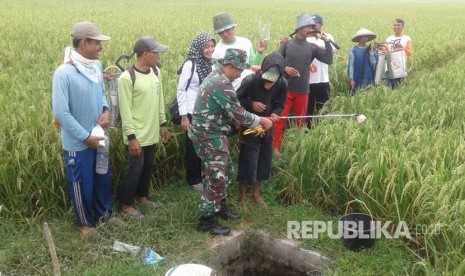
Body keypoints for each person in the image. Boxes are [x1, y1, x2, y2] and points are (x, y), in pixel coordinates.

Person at [188, 48, 273, 235]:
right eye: (240, 70)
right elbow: (238, 113)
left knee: (226, 171)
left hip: (215, 134)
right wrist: (262, 120)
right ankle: (207, 221)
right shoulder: (221, 84)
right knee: (216, 176)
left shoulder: (218, 77)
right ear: (231, 66)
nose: (240, 75)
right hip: (209, 136)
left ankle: (220, 207)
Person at [52, 21, 113, 235]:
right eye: (97, 43)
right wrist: (84, 136)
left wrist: (105, 110)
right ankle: (85, 224)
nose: (101, 48)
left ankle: (105, 214)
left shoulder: (95, 66)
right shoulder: (64, 73)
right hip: (78, 144)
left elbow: (101, 94)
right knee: (80, 183)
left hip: (98, 136)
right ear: (84, 42)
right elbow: (61, 113)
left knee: (102, 177)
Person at [116, 37, 170, 219]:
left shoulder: (155, 71)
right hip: (136, 134)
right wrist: (131, 137)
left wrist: (162, 124)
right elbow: (125, 110)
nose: (158, 56)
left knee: (148, 166)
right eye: (156, 52)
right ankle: (125, 204)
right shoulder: (127, 77)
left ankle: (142, 197)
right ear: (145, 54)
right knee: (134, 170)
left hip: (152, 131)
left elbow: (159, 99)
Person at [272, 13, 333, 156]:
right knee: (280, 119)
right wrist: (285, 68)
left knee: (300, 121)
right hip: (285, 89)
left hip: (303, 90)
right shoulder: (286, 44)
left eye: (313, 27)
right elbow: (275, 62)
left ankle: (297, 148)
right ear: (300, 28)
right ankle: (274, 148)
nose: (312, 29)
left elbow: (328, 60)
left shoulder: (312, 47)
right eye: (309, 26)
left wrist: (327, 42)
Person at [236, 52, 287, 208]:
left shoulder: (282, 83)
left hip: (268, 126)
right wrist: (252, 105)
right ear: (263, 70)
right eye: (266, 81)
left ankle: (256, 194)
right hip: (251, 126)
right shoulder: (250, 80)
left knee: (264, 161)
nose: (269, 84)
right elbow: (236, 101)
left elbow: (280, 104)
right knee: (248, 160)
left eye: (272, 82)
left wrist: (275, 113)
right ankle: (242, 197)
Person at [176, 32, 216, 192]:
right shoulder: (190, 64)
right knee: (193, 147)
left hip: (207, 111)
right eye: (206, 46)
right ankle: (193, 180)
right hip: (192, 111)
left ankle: (204, 176)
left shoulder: (212, 64)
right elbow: (181, 90)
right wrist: (184, 116)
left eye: (212, 46)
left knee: (205, 145)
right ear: (199, 47)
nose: (210, 49)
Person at [211, 12, 268, 90]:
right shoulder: (216, 51)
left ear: (233, 28)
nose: (225, 34)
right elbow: (217, 77)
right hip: (230, 91)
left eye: (227, 30)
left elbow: (253, 66)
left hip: (248, 88)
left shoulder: (246, 43)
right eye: (221, 33)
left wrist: (259, 53)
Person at [306, 14, 336, 128]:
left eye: (316, 24)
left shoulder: (327, 37)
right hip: (308, 80)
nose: (313, 27)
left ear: (321, 25)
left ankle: (321, 129)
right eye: (311, 24)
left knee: (322, 107)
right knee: (308, 108)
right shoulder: (306, 37)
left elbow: (331, 53)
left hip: (323, 79)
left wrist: (323, 41)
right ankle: (307, 129)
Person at [385, 18, 413, 88]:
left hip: (401, 70)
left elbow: (409, 53)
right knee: (389, 90)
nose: (396, 27)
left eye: (398, 25)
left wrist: (402, 47)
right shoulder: (389, 39)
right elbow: (384, 51)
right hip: (389, 69)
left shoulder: (406, 39)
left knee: (400, 89)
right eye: (395, 25)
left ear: (402, 27)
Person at [348, 27, 377, 93]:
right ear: (359, 38)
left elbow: (374, 62)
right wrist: (351, 79)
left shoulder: (370, 49)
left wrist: (372, 51)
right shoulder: (353, 50)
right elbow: (351, 66)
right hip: (357, 75)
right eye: (363, 37)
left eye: (366, 37)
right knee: (356, 94)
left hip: (368, 75)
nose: (365, 39)